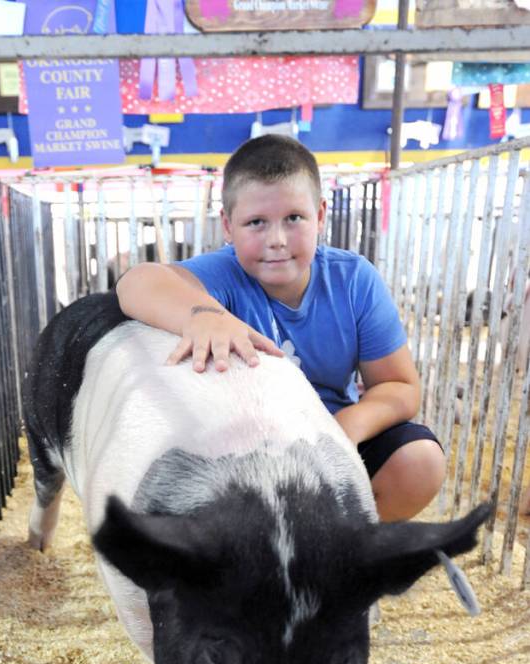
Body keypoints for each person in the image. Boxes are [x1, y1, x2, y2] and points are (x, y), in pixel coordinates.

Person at [115, 135, 446, 522]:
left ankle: (342, 556)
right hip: (245, 452)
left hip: (336, 439)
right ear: (227, 225)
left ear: (320, 215)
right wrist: (203, 315)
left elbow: (401, 387)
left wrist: (340, 431)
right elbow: (135, 282)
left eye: (294, 218)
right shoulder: (222, 276)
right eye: (256, 222)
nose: (276, 240)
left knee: (420, 461)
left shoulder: (353, 279)